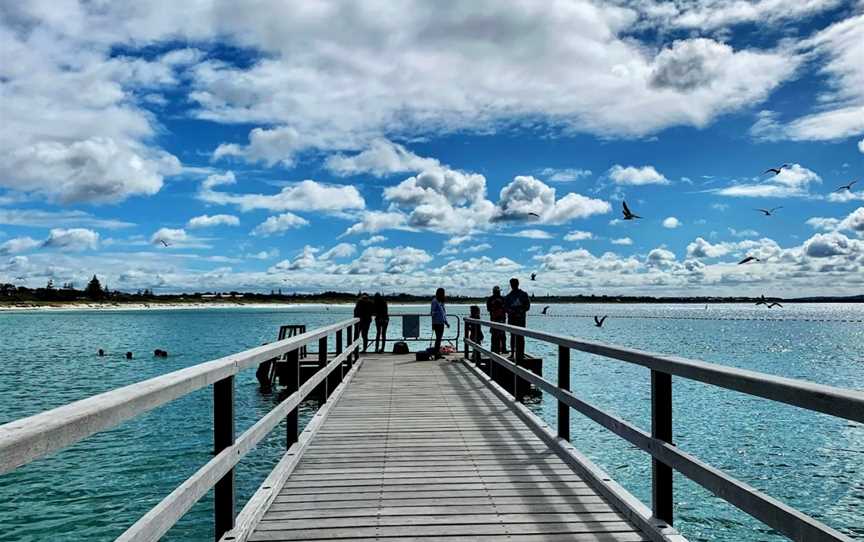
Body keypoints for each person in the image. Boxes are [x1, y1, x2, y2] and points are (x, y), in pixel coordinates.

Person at [504, 277, 530, 360]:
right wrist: (511, 312)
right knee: (512, 336)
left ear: (517, 284)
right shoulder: (508, 296)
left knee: (521, 336)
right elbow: (505, 308)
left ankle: (521, 354)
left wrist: (520, 311)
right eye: (512, 284)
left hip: (521, 319)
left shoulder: (524, 294)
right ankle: (512, 353)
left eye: (514, 284)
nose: (513, 285)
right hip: (512, 319)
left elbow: (527, 306)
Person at [486, 285, 507, 354]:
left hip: (502, 319)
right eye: (496, 291)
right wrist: (495, 308)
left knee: (503, 335)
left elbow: (506, 309)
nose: (497, 293)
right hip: (493, 319)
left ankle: (503, 348)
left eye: (498, 291)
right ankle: (494, 349)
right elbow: (488, 309)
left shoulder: (503, 298)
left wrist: (501, 308)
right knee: (494, 334)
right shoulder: (490, 299)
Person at [430, 287, 449, 359]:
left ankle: (437, 353)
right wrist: (433, 323)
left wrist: (446, 322)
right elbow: (432, 312)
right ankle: (436, 354)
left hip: (441, 322)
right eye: (443, 293)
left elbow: (444, 313)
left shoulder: (441, 302)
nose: (444, 294)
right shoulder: (435, 301)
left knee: (439, 338)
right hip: (437, 322)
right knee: (438, 338)